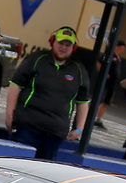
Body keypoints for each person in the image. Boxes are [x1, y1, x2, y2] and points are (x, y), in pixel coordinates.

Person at [5, 26, 90, 161]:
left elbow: (83, 102)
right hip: (27, 128)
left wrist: (79, 128)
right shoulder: (37, 59)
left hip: (55, 134)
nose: (63, 48)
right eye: (60, 43)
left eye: (68, 45)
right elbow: (15, 85)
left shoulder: (79, 70)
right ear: (52, 42)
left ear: (73, 48)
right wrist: (10, 114)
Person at [94, 39, 126, 129]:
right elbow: (99, 62)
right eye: (122, 47)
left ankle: (99, 119)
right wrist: (104, 73)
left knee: (107, 102)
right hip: (107, 82)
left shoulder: (118, 57)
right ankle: (95, 118)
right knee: (102, 100)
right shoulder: (109, 55)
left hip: (112, 83)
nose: (123, 49)